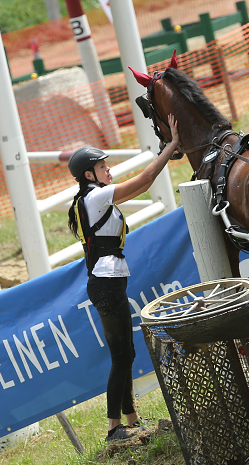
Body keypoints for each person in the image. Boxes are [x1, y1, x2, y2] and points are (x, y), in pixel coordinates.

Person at [67, 114, 181, 442]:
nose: (109, 171)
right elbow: (145, 181)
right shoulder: (94, 196)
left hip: (110, 281)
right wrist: (171, 145)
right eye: (103, 168)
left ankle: (130, 419)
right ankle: (114, 428)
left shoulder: (92, 198)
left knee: (126, 352)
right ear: (88, 175)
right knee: (122, 355)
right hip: (105, 283)